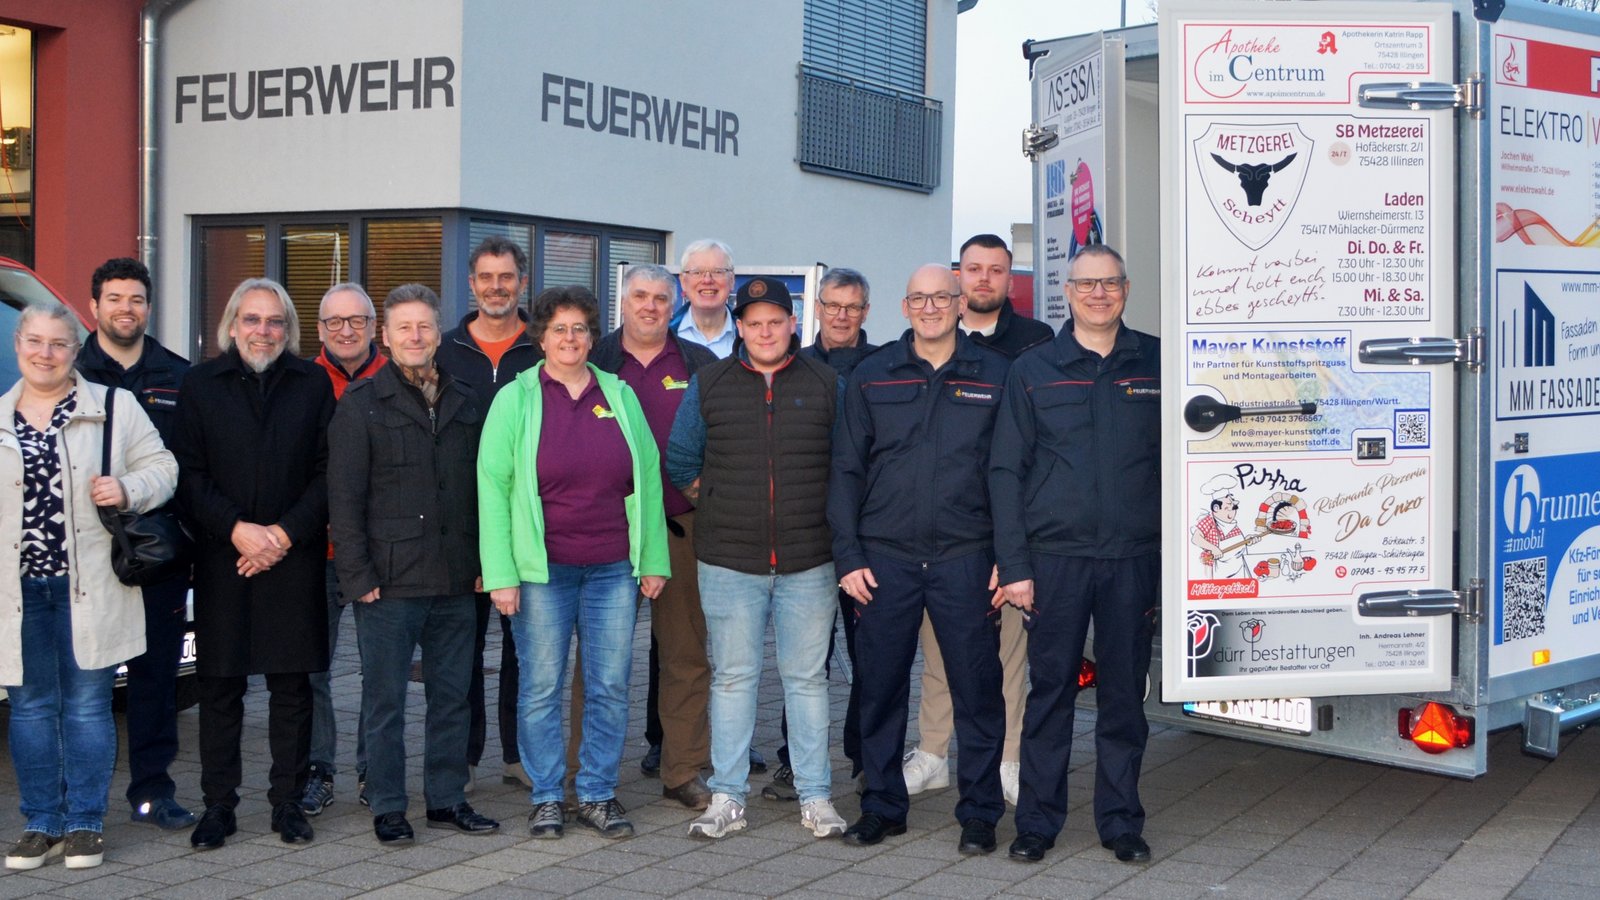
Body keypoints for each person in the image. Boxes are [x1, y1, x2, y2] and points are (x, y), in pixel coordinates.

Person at [829, 265, 1011, 853]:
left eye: (941, 297)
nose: (930, 306)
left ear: (960, 304)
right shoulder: (872, 374)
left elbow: (1013, 474)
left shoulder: (996, 375)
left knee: (978, 692)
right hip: (885, 561)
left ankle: (980, 811)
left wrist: (1008, 556)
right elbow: (847, 470)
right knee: (879, 689)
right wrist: (848, 555)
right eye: (919, 298)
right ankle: (882, 805)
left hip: (966, 557)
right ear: (903, 307)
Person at [990, 245, 1160, 865]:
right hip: (1055, 559)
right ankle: (1037, 822)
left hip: (1133, 561)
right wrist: (1016, 567)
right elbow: (1005, 471)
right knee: (1051, 693)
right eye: (1086, 284)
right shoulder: (1034, 370)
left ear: (1125, 288)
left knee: (1123, 697)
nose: (1098, 294)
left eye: (1109, 283)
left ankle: (1121, 822)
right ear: (1068, 291)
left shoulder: (1157, 362)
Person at [479, 286, 668, 841]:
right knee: (540, 687)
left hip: (613, 568)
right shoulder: (515, 399)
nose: (570, 339)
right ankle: (545, 796)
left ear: (592, 337)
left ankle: (597, 793)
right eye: (559, 329)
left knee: (609, 685)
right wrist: (501, 575)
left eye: (581, 329)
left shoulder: (619, 393)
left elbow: (649, 478)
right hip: (543, 573)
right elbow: (492, 488)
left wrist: (652, 559)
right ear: (540, 337)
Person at [667, 276, 845, 840]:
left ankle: (816, 797)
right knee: (734, 679)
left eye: (776, 321)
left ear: (794, 325)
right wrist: (718, 501)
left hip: (809, 558)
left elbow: (847, 465)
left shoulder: (826, 383)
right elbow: (681, 460)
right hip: (728, 561)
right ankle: (727, 797)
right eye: (754, 322)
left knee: (807, 681)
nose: (765, 331)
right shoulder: (710, 382)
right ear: (739, 328)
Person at [0, 304, 177, 871]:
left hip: (91, 587)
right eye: (35, 341)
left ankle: (83, 822)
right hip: (18, 591)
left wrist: (126, 489)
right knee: (28, 709)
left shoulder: (113, 407)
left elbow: (164, 467)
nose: (45, 353)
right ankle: (40, 821)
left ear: (76, 352)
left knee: (86, 706)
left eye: (58, 344)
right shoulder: (0, 419)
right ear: (18, 344)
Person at [328, 284, 499, 844]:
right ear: (386, 336)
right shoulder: (361, 404)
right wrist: (358, 578)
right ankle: (388, 805)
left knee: (453, 696)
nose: (415, 337)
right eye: (404, 328)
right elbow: (345, 500)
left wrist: (485, 564)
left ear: (438, 332)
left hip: (456, 579)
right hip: (388, 585)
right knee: (385, 703)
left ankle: (447, 799)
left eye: (424, 327)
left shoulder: (467, 398)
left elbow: (484, 489)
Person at [175, 278, 335, 850]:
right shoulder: (200, 384)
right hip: (223, 557)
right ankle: (218, 805)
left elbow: (327, 471)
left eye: (274, 321)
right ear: (232, 326)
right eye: (251, 320)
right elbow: (188, 475)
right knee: (220, 688)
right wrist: (239, 531)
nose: (262, 331)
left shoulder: (312, 383)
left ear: (287, 330)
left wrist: (283, 534)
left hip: (293, 556)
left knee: (293, 688)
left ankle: (287, 804)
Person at [903, 233, 1051, 804]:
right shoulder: (925, 342)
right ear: (956, 279)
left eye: (996, 270)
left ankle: (1010, 759)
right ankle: (934, 753)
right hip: (942, 534)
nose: (983, 279)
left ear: (1010, 278)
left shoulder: (1035, 345)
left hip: (1006, 529)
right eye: (973, 269)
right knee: (939, 648)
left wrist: (1013, 547)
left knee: (1010, 653)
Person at [73, 258, 196, 831]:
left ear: (149, 307)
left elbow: (192, 467)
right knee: (85, 684)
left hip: (157, 558)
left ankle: (152, 792)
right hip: (84, 561)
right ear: (94, 306)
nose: (127, 308)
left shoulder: (178, 375)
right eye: (115, 298)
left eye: (137, 299)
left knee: (153, 680)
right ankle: (81, 801)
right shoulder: (68, 374)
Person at [591, 264, 717, 810]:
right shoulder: (592, 359)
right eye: (640, 296)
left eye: (661, 299)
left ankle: (683, 770)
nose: (650, 306)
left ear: (676, 305)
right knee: (596, 661)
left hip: (679, 529)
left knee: (686, 655)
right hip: (603, 531)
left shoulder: (700, 364)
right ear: (623, 302)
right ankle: (584, 774)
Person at [436, 236, 542, 791]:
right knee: (462, 647)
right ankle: (466, 755)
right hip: (459, 521)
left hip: (526, 522)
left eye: (506, 277)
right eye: (486, 277)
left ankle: (519, 755)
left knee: (526, 647)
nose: (496, 287)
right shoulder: (444, 349)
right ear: (471, 284)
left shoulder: (545, 347)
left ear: (522, 283)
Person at [766, 266, 876, 802]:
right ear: (816, 309)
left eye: (852, 307)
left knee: (871, 654)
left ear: (866, 312)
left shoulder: (884, 367)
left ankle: (864, 756)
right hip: (807, 533)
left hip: (871, 534)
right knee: (804, 657)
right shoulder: (790, 365)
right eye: (832, 305)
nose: (841, 316)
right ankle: (795, 760)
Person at [302, 283, 386, 815]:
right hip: (316, 551)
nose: (346, 331)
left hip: (381, 553)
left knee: (380, 669)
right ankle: (318, 768)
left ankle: (373, 769)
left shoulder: (398, 376)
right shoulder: (303, 382)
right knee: (313, 669)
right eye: (335, 322)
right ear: (320, 330)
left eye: (357, 320)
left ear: (374, 327)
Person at [672, 239, 738, 359]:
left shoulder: (751, 337)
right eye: (697, 272)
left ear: (732, 280)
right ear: (683, 281)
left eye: (718, 271)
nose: (707, 280)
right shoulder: (664, 335)